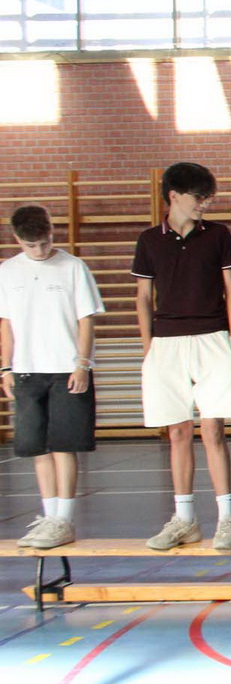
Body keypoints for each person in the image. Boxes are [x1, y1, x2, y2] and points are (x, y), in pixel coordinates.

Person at [132, 162, 231, 551]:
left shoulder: (218, 235)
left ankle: (226, 518)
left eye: (207, 198)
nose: (204, 204)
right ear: (174, 196)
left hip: (212, 339)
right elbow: (143, 297)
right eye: (199, 197)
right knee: (177, 432)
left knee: (213, 430)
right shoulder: (149, 240)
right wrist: (149, 347)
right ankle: (184, 520)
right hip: (166, 343)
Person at [1, 206, 103, 550]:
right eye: (31, 246)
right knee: (37, 447)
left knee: (64, 445)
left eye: (45, 243)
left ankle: (64, 519)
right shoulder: (7, 272)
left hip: (66, 368)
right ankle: (49, 515)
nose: (40, 250)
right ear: (17, 240)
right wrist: (6, 367)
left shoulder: (73, 267)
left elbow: (86, 319)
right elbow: (6, 323)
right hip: (27, 369)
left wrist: (82, 363)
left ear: (51, 232)